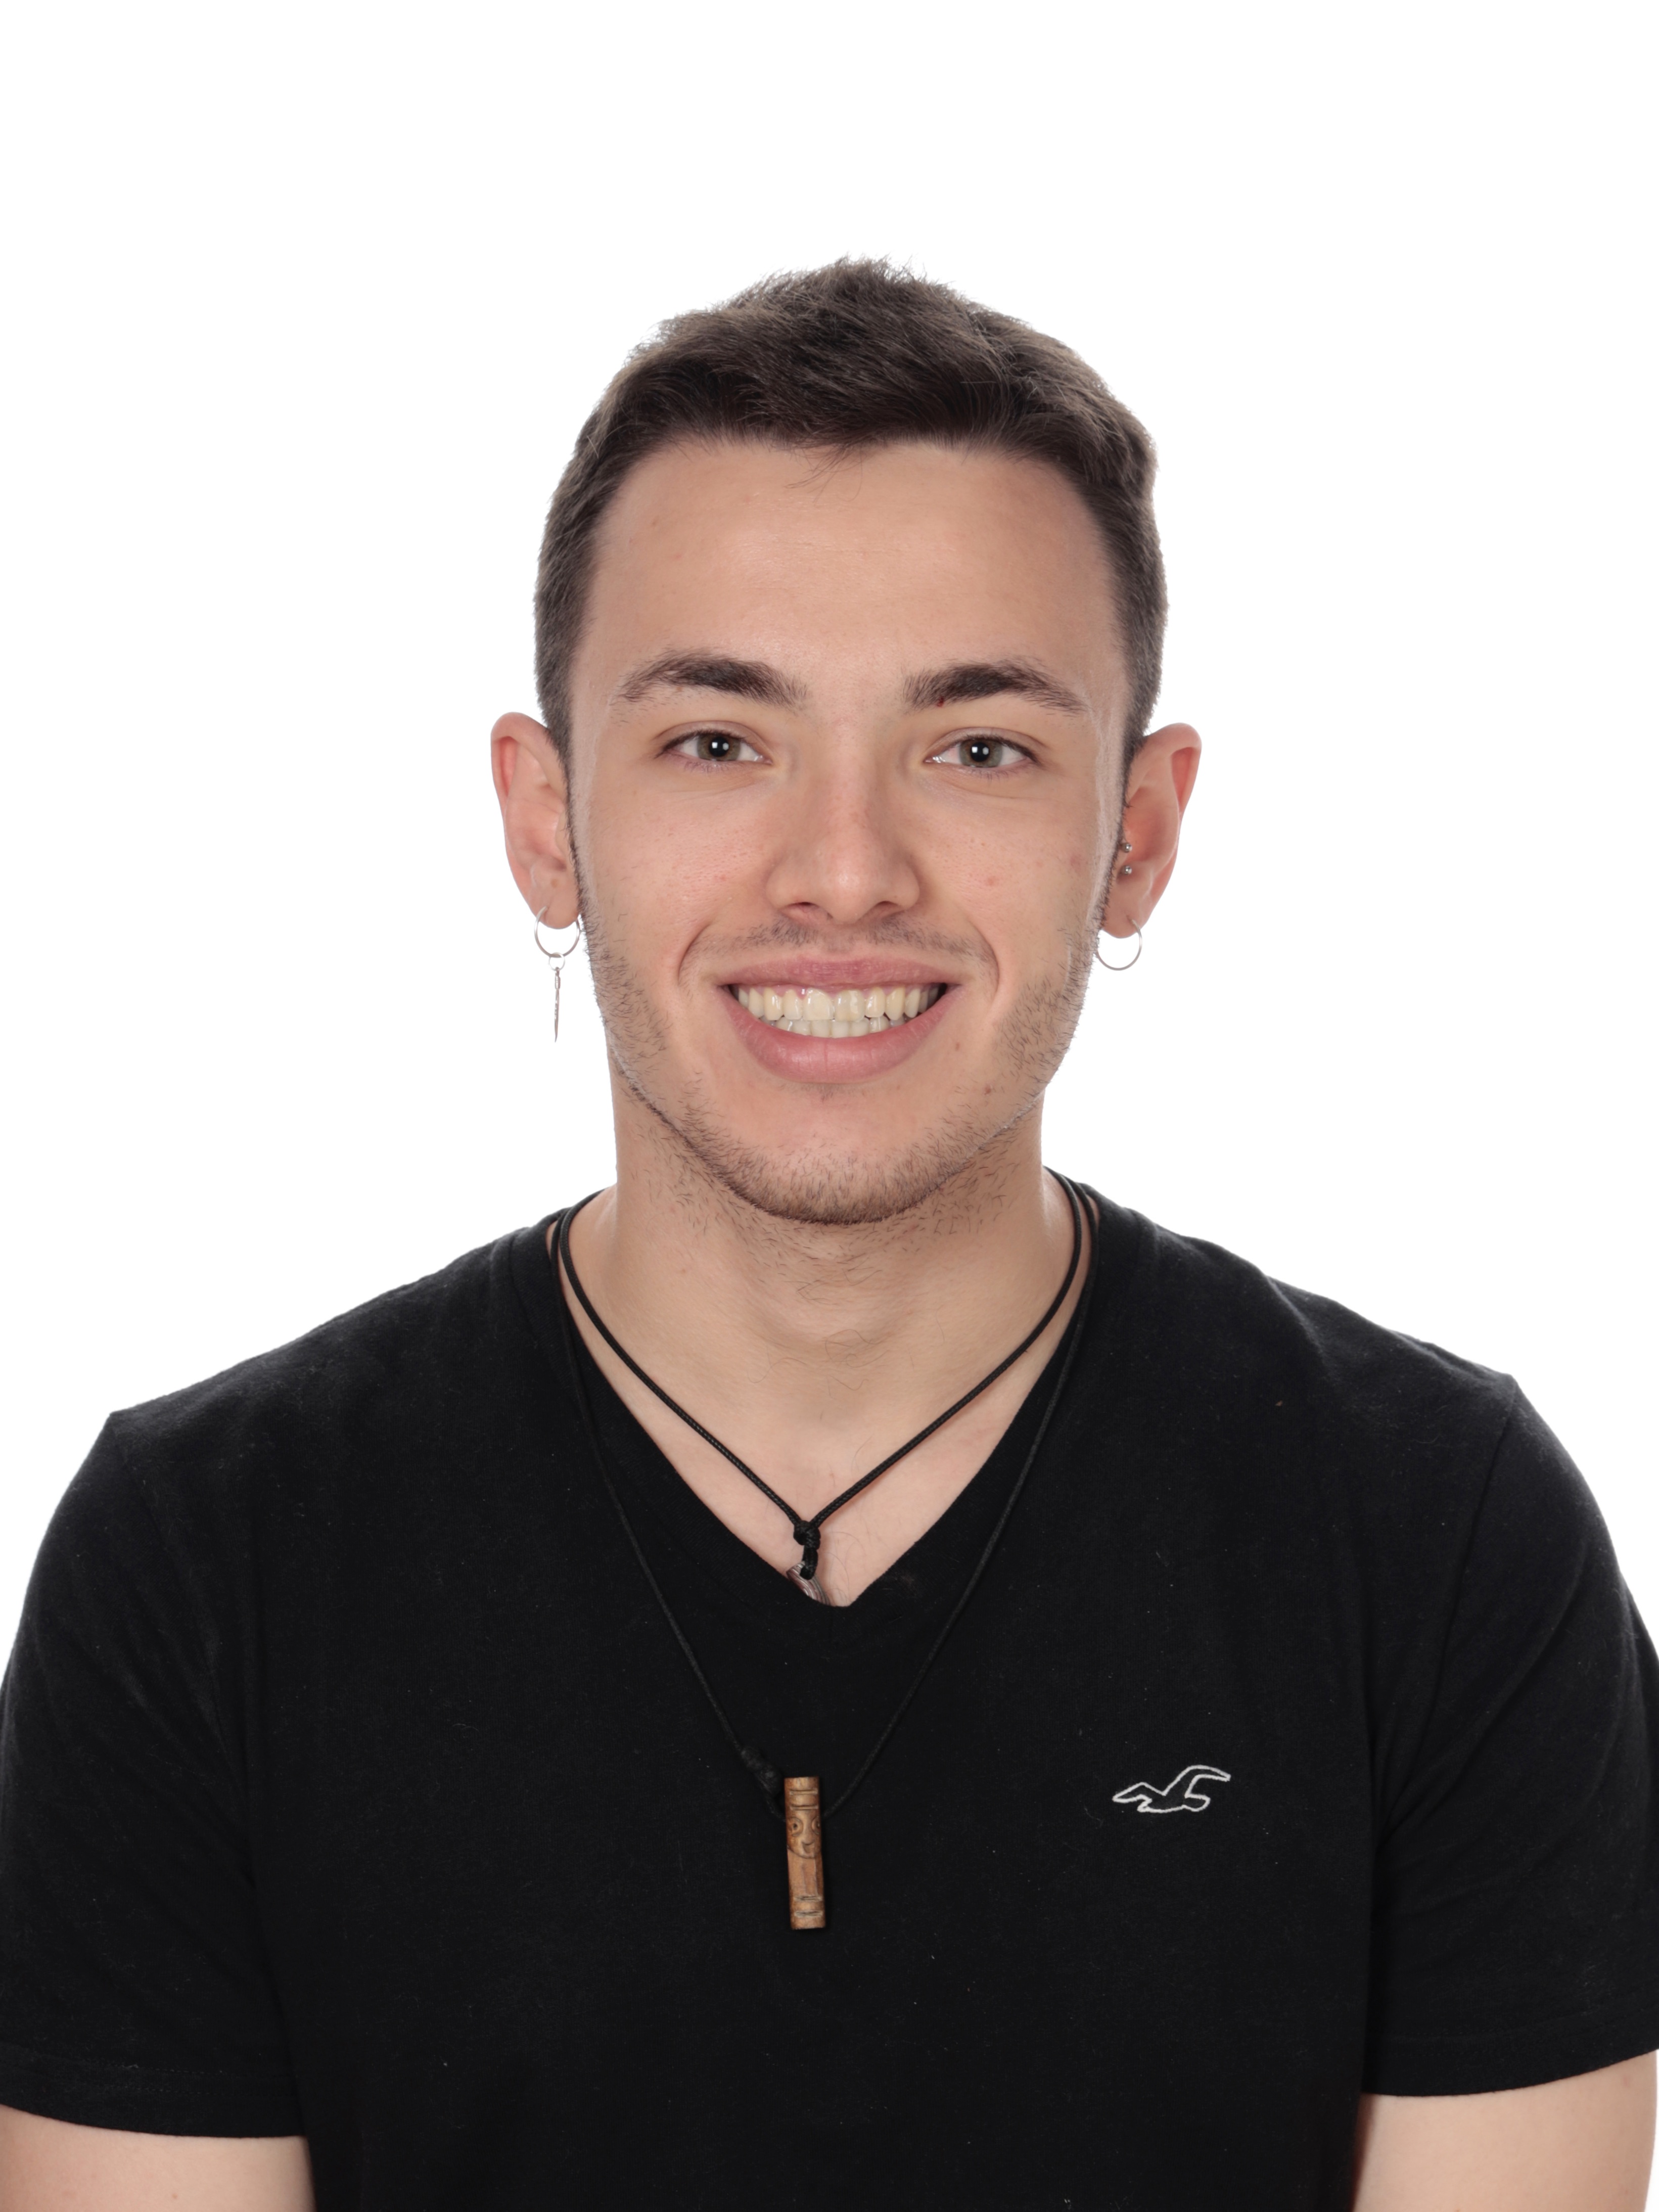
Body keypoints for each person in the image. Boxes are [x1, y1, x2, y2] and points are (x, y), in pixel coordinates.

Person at [1, 261, 1654, 2212]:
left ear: (1136, 832)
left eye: (977, 747)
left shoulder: (1437, 1535)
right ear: (545, 820)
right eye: (719, 740)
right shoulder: (209, 1557)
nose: (844, 872)